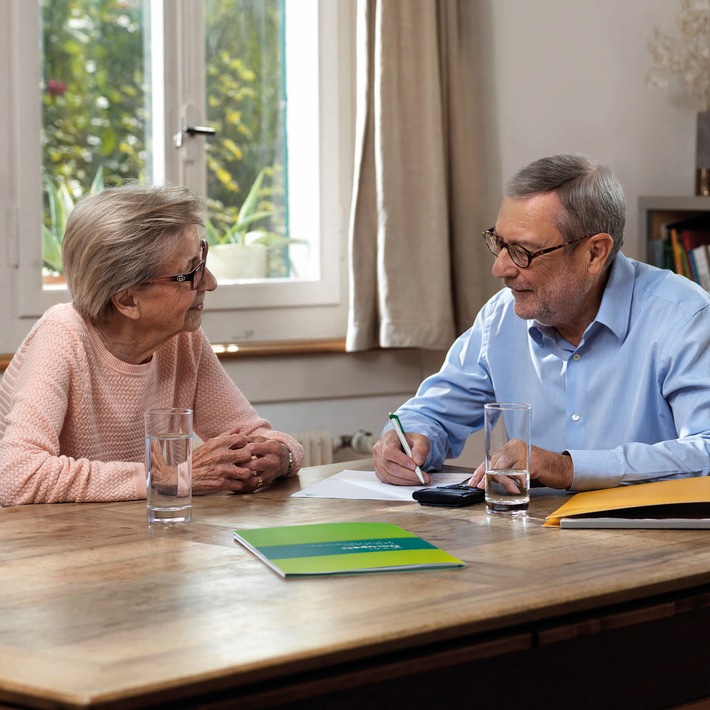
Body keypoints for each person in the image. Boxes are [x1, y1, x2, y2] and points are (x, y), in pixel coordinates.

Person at [373, 153, 710, 491]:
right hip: (530, 534)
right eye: (500, 243)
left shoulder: (684, 318)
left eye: (524, 252)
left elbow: (706, 449)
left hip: (652, 537)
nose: (501, 268)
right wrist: (408, 439)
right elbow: (434, 413)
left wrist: (567, 467)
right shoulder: (500, 317)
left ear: (595, 253)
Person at [0, 184, 303, 506]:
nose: (210, 283)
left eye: (201, 259)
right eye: (190, 272)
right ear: (128, 300)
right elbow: (18, 476)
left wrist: (280, 456)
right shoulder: (61, 335)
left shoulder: (182, 340)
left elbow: (255, 435)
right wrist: (171, 476)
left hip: (131, 532)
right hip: (47, 545)